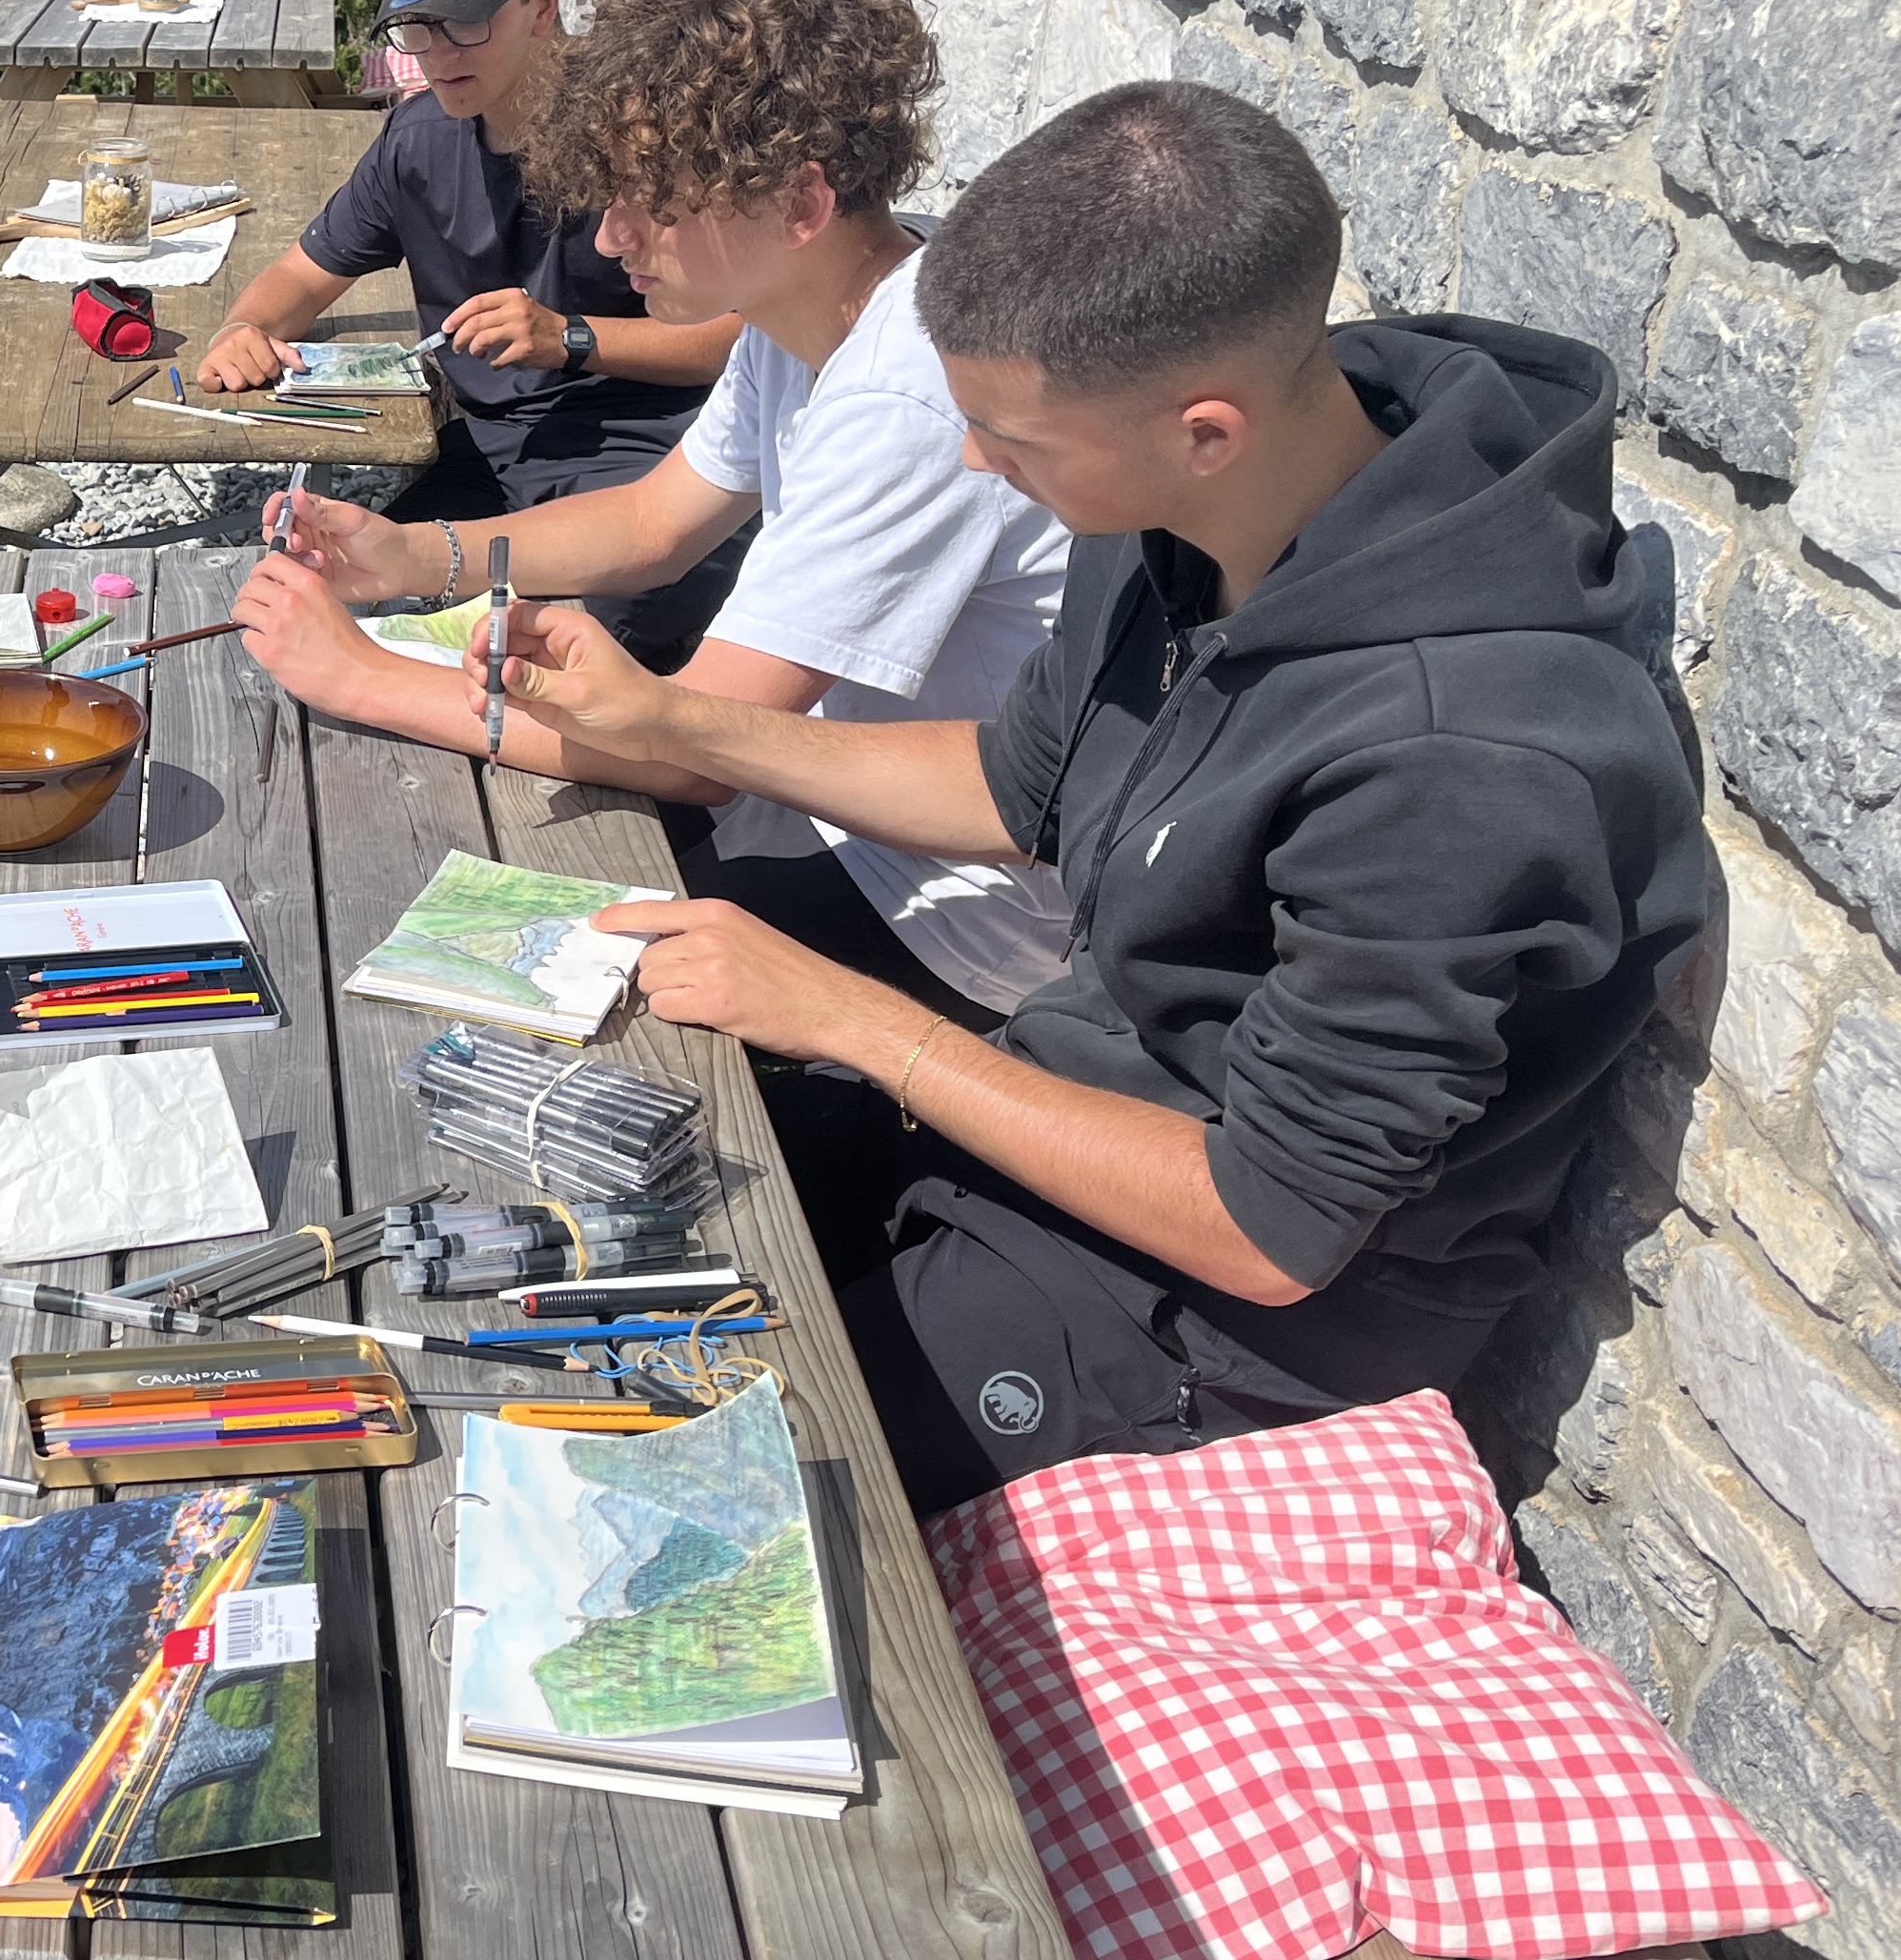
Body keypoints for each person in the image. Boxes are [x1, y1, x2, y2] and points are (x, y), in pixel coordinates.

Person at [477, 83, 1705, 1512]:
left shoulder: (1461, 759)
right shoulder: (1182, 513)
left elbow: (1273, 1230)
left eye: (1013, 438)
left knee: (663, 1495)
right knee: (567, 1236)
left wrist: (845, 1018)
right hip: (1052, 1125)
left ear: (1204, 430)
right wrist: (673, 719)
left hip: (1230, 1331)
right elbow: (1019, 785)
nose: (975, 462)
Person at [236, 0, 1072, 1065]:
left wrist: (362, 678)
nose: (610, 237)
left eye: (653, 205)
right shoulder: (804, 311)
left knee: (484, 1027)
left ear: (802, 201)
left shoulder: (903, 394)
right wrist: (410, 557)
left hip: (952, 918)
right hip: (828, 808)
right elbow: (651, 524)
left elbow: (694, 749)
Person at [192, 0, 748, 662]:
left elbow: (740, 336)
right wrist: (242, 329)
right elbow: (300, 277)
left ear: (543, 3)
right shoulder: (418, 141)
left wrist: (570, 338)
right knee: (331, 589)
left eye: (465, 22)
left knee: (590, 643)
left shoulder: (644, 134)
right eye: (416, 28)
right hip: (491, 452)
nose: (437, 52)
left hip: (642, 455)